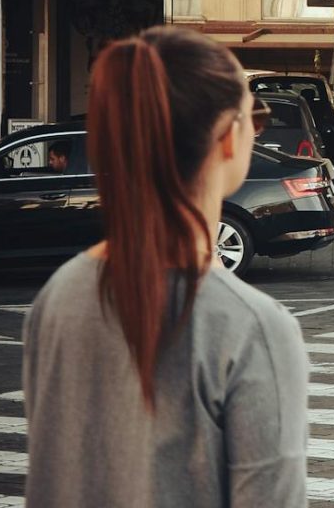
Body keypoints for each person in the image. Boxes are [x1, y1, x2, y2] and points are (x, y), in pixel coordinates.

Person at [23, 27, 307, 507]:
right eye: (254, 115)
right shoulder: (251, 327)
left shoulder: (60, 296)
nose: (258, 127)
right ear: (226, 140)